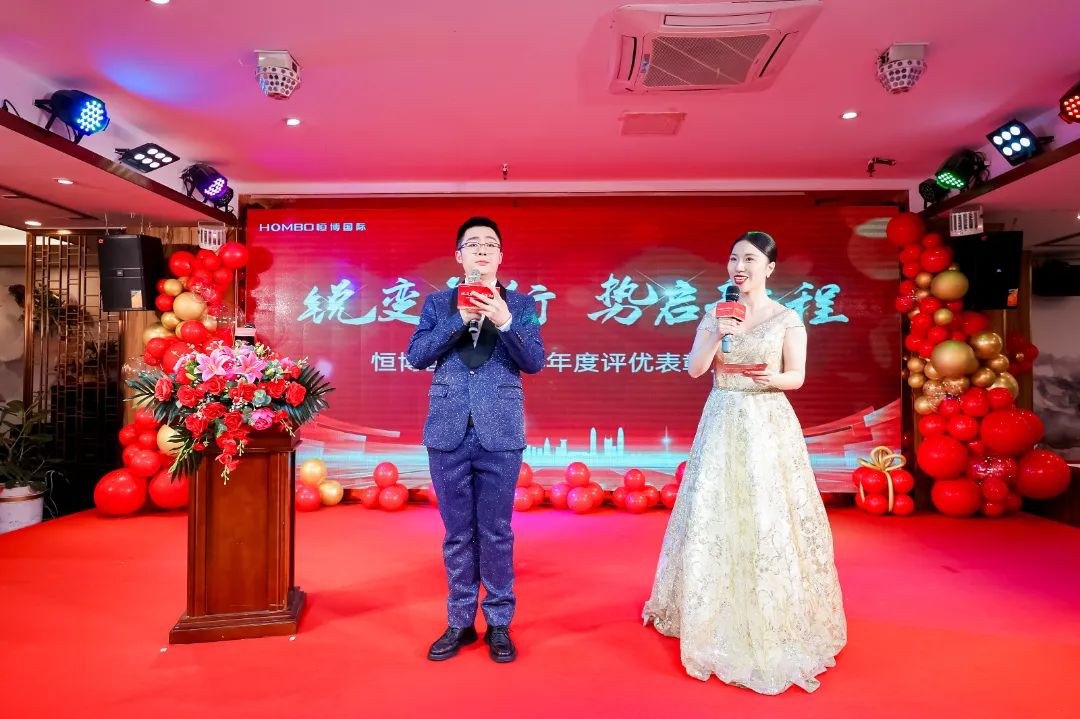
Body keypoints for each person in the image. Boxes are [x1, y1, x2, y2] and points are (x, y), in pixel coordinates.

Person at [642, 231, 847, 694]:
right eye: (734, 258)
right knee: (716, 512)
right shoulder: (716, 313)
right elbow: (695, 368)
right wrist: (718, 331)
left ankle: (771, 608)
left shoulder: (787, 318)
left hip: (768, 420)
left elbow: (797, 376)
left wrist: (773, 377)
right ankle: (712, 606)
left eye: (750, 259)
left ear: (769, 268)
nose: (739, 266)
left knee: (767, 514)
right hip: (722, 416)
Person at [406, 216, 545, 664]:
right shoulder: (437, 303)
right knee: (457, 534)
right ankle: (460, 621)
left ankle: (499, 623)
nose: (482, 249)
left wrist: (505, 322)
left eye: (490, 244)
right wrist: (458, 320)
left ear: (501, 256)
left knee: (496, 531)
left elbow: (534, 361)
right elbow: (415, 356)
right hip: (446, 430)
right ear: (459, 256)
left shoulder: (521, 304)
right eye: (473, 244)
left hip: (500, 432)